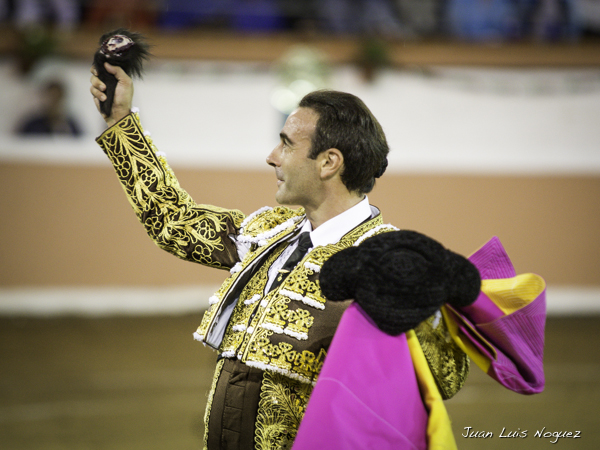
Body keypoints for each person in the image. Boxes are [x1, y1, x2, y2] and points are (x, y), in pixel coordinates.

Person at [89, 63, 544, 449]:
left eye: (287, 143)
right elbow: (174, 220)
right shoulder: (267, 233)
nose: (272, 156)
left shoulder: (385, 259)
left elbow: (444, 377)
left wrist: (417, 315)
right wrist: (120, 122)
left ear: (328, 162)